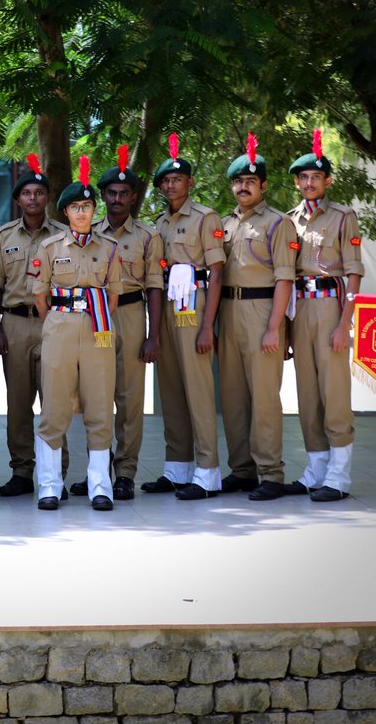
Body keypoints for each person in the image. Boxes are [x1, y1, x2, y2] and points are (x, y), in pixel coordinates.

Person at [70, 146, 163, 501]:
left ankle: (124, 473)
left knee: (129, 399)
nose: (118, 198)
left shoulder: (147, 237)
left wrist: (153, 335)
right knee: (94, 398)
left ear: (133, 196)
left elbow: (154, 285)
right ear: (103, 196)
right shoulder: (89, 233)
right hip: (95, 317)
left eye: (124, 193)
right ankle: (97, 472)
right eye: (111, 193)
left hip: (130, 314)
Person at [33, 158, 122, 511]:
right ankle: (50, 486)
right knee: (54, 407)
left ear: (93, 209)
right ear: (66, 212)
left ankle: (101, 485)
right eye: (75, 207)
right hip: (60, 325)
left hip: (98, 327)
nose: (82, 213)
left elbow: (113, 297)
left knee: (100, 406)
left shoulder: (109, 247)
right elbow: (40, 297)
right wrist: (59, 322)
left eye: (87, 206)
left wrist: (92, 317)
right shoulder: (51, 247)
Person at [143, 134, 226, 500]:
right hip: (165, 306)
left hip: (193, 304)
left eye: (178, 179)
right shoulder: (159, 222)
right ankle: (177, 468)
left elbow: (218, 270)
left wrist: (208, 325)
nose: (171, 184)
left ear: (190, 183)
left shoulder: (206, 217)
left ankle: (208, 471)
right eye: (165, 180)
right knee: (172, 390)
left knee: (199, 390)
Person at [283, 130, 364, 502]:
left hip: (332, 306)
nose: (310, 182)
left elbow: (354, 272)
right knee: (307, 393)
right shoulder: (290, 220)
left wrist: (345, 322)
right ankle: (316, 469)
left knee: (334, 393)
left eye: (316, 176)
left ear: (327, 181)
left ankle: (339, 475)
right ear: (298, 182)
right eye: (304, 177)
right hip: (300, 310)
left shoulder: (343, 217)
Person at [219, 134, 298, 500]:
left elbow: (285, 277)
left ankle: (271, 472)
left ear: (263, 185)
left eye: (250, 181)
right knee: (233, 397)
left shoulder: (278, 223)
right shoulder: (225, 224)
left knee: (264, 397)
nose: (243, 187)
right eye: (238, 181)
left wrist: (274, 328)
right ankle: (242, 469)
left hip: (263, 310)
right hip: (229, 312)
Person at [0, 154, 69, 498]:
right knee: (19, 403)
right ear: (18, 199)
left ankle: (56, 474)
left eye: (39, 192)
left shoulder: (65, 236)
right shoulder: (3, 237)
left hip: (55, 324)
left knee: (55, 402)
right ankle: (21, 472)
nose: (33, 198)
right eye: (27, 193)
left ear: (48, 198)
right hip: (16, 325)